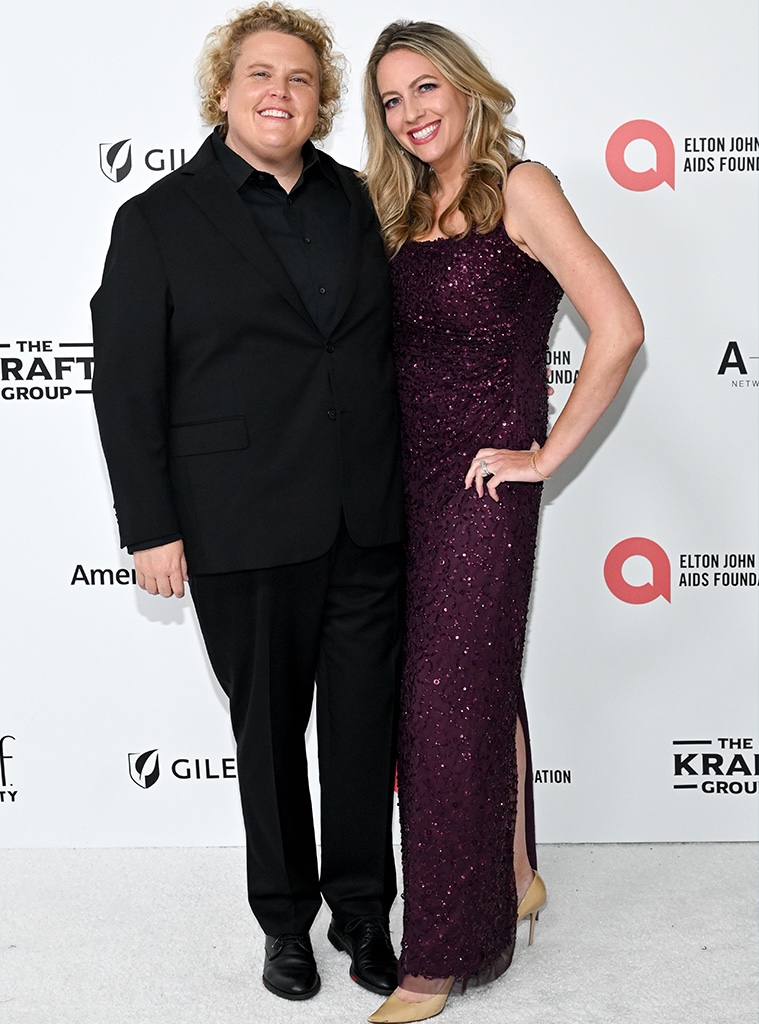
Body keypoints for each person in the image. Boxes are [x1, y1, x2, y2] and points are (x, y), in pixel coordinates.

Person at [91, 2, 405, 1004]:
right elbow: (127, 382)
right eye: (261, 74)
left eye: (301, 78)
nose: (280, 91)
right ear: (222, 90)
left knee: (361, 731)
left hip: (366, 514)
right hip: (239, 518)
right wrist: (151, 527)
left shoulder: (359, 200)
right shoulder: (155, 220)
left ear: (320, 99)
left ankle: (363, 912)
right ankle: (285, 924)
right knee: (268, 737)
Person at [362, 20, 644, 1023]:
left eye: (426, 87)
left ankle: (441, 951)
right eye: (391, 100)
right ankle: (518, 870)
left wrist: (540, 458)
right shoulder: (397, 206)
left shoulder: (520, 188)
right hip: (401, 483)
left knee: (441, 705)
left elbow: (618, 326)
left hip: (485, 490)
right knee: (467, 682)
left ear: (469, 88)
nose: (412, 113)